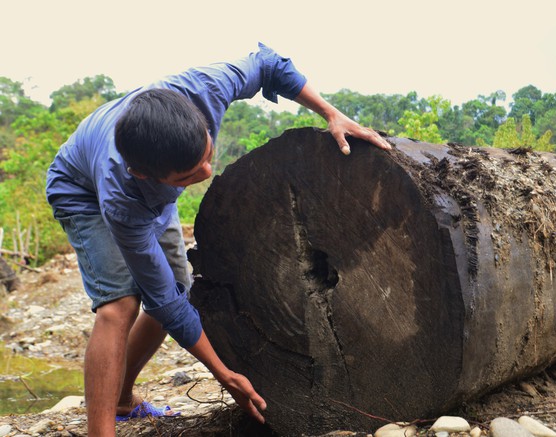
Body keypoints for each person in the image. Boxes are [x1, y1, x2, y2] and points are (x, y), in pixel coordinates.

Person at [45, 43, 391, 436]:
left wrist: (331, 113)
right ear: (146, 174)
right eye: (188, 176)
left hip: (153, 194)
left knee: (177, 288)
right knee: (120, 305)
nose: (208, 173)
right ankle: (100, 431)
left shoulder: (205, 88)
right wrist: (223, 374)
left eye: (208, 154)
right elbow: (163, 301)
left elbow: (269, 63)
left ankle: (123, 399)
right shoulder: (124, 197)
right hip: (80, 189)